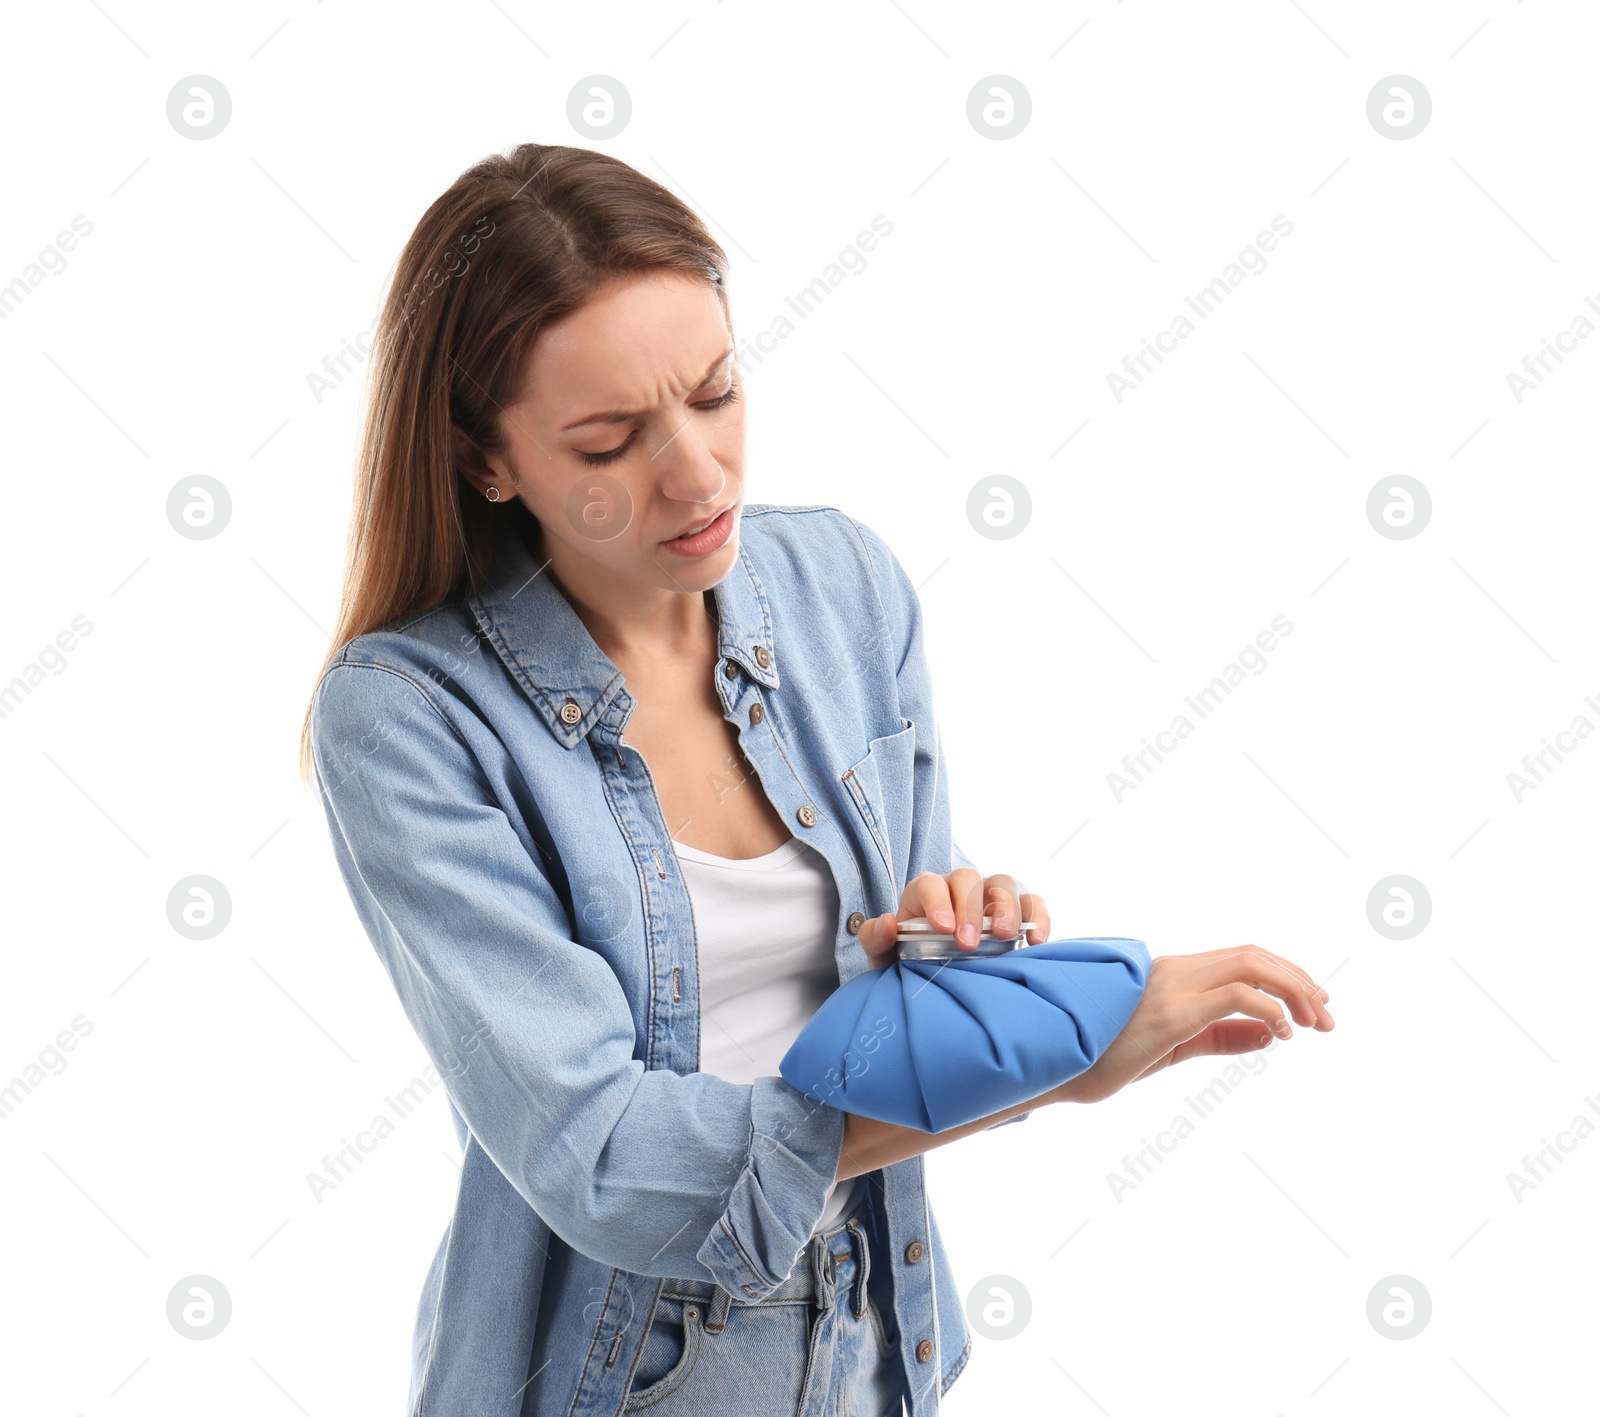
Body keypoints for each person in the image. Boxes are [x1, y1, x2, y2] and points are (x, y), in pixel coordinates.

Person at [299, 142, 1335, 1417]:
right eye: (610, 442)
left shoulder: (843, 588)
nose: (697, 474)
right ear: (484, 460)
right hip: (626, 1371)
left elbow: (899, 1012)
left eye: (716, 392)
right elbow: (606, 1160)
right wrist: (1056, 1055)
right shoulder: (411, 717)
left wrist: (973, 956)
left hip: (883, 1322)